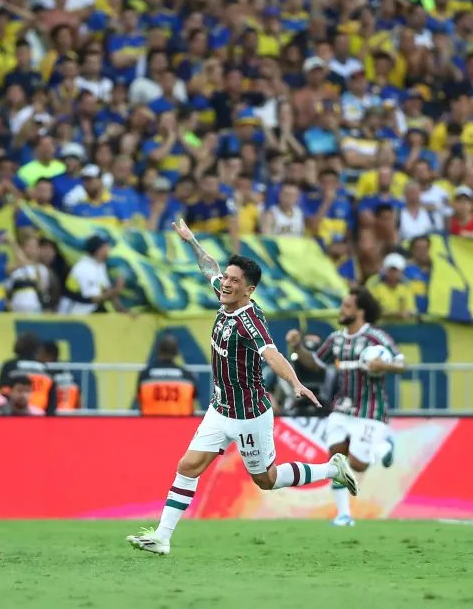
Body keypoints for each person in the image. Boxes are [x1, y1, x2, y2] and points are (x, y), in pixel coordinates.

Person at [126, 219, 357, 556]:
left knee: (265, 480)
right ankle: (162, 537)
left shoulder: (250, 322)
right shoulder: (224, 295)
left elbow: (273, 354)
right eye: (227, 279)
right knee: (188, 466)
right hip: (220, 409)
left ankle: (332, 468)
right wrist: (191, 240)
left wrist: (295, 382)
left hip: (249, 415)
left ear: (249, 290)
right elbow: (210, 268)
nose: (226, 284)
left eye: (235, 282)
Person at [289, 287, 404, 527]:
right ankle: (344, 515)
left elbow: (400, 363)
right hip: (342, 409)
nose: (342, 310)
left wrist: (383, 364)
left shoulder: (375, 338)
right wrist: (298, 348)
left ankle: (383, 446)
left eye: (347, 306)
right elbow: (315, 363)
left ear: (360, 311)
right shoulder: (336, 339)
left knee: (359, 463)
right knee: (336, 462)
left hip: (370, 410)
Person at [58, 234, 126, 314]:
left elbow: (106, 290)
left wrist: (123, 311)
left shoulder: (100, 265)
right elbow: (92, 299)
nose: (109, 249)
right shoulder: (84, 268)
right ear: (98, 250)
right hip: (74, 314)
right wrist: (116, 290)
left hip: (89, 310)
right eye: (106, 246)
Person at [136, 334, 199, 416]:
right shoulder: (187, 376)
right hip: (181, 425)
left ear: (158, 351)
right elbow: (193, 403)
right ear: (176, 353)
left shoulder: (145, 375)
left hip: (150, 424)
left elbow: (139, 401)